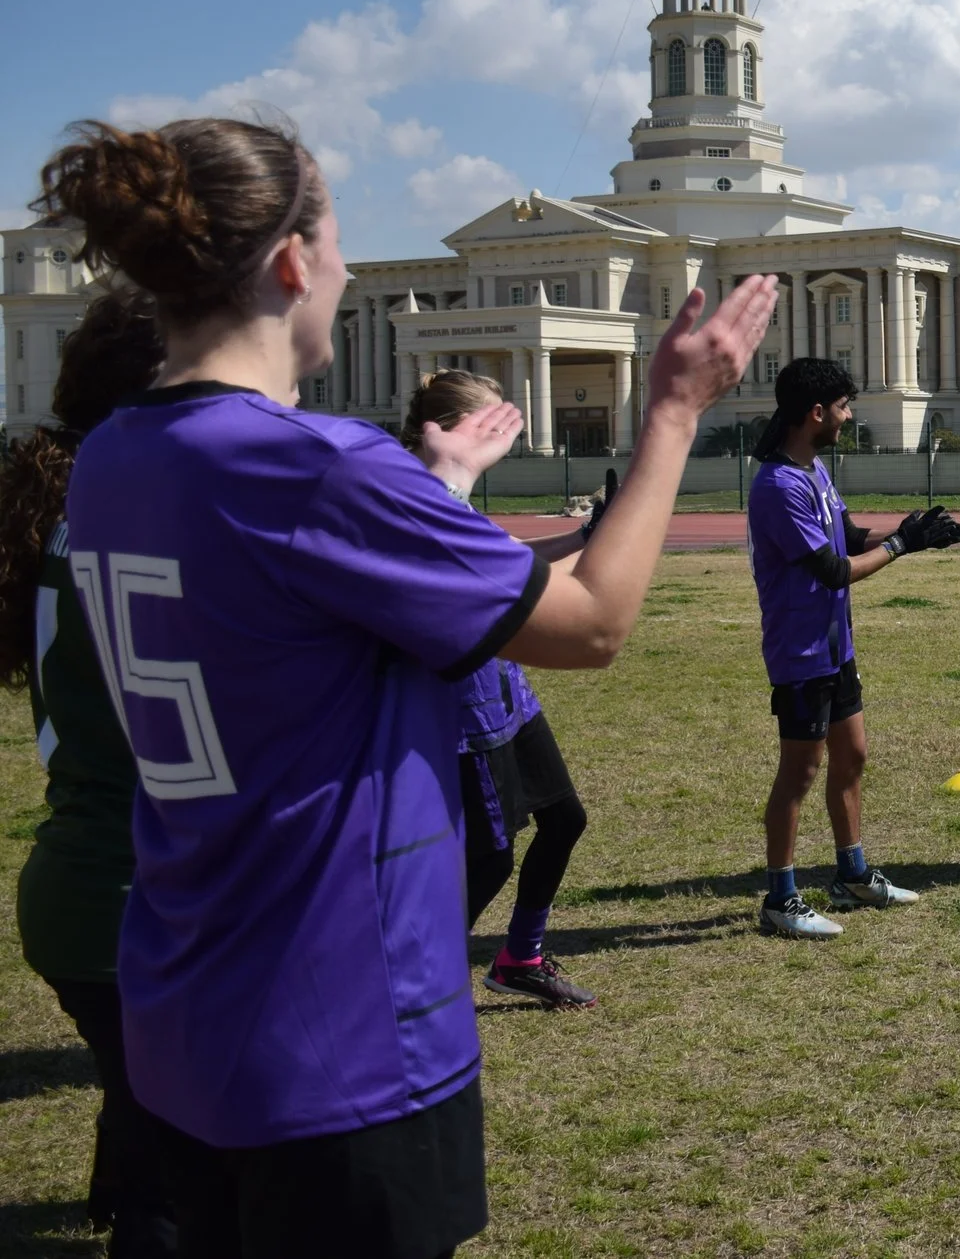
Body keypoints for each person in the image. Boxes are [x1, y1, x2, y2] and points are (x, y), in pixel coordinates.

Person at [40, 116, 773, 1258]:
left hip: (185, 1009)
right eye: (334, 240)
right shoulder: (317, 464)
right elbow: (593, 627)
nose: (341, 268)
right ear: (291, 261)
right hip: (339, 1034)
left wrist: (434, 487)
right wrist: (674, 411)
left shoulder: (115, 454)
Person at [4, 291, 181, 1255]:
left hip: (80, 878)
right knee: (181, 1177)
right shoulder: (133, 520)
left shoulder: (70, 507)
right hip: (127, 895)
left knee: (142, 1101)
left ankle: (116, 1186)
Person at [747, 357, 960, 936]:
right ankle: (780, 898)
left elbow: (846, 536)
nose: (848, 418)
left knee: (853, 757)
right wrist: (899, 546)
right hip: (800, 653)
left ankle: (853, 875)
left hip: (835, 646)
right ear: (816, 412)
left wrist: (915, 533)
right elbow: (832, 569)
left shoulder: (814, 468)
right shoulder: (778, 485)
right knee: (800, 773)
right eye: (844, 407)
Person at [400, 370, 598, 1007]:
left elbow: (510, 559)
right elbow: (506, 582)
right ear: (453, 430)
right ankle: (404, 985)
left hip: (508, 695)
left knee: (564, 820)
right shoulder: (421, 498)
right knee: (487, 860)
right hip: (467, 712)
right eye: (492, 423)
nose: (506, 435)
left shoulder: (453, 495)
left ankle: (519, 958)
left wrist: (588, 536)